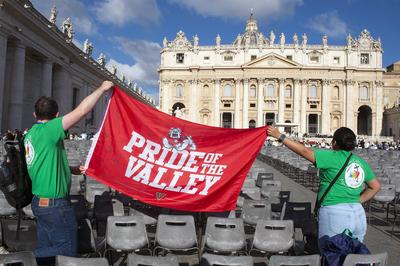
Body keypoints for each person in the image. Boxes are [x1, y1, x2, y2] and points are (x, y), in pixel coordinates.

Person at [24, 80, 113, 258]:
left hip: (39, 202)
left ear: (34, 113)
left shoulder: (31, 133)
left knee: (49, 250)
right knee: (66, 250)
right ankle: (20, 260)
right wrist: (102, 89)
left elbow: (44, 161)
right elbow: (81, 111)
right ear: (57, 115)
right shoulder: (50, 129)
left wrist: (69, 169)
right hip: (55, 204)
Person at [267, 126, 381, 250]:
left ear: (334, 142)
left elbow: (304, 152)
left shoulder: (332, 157)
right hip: (358, 214)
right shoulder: (360, 162)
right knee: (354, 255)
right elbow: (375, 187)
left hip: (335, 213)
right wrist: (357, 200)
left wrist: (280, 136)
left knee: (331, 254)